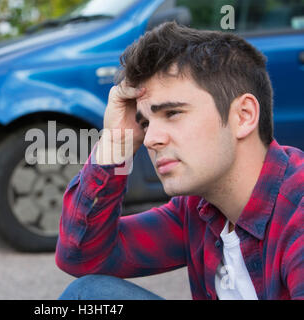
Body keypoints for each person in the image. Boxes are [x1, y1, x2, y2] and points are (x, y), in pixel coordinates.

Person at [55, 22, 303, 300]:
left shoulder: (297, 212)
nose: (150, 139)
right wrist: (116, 143)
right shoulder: (199, 209)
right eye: (146, 122)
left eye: (172, 113)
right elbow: (82, 256)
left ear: (243, 116)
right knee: (88, 295)